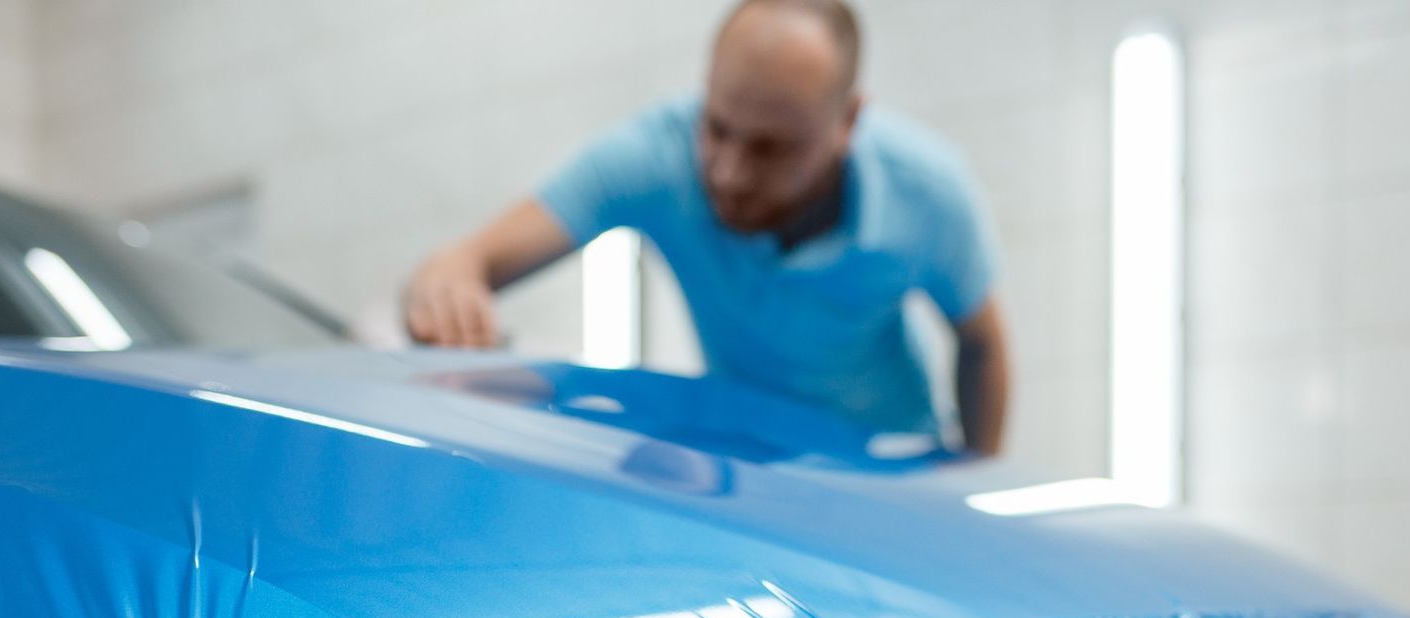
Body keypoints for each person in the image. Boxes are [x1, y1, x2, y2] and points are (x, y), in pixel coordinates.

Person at [402, 0, 1011, 455]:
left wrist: (974, 476)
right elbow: (467, 260)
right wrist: (446, 283)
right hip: (747, 456)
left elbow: (982, 344)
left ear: (848, 120)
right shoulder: (655, 155)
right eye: (717, 127)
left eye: (771, 149)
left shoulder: (926, 195)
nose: (728, 172)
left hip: (887, 456)